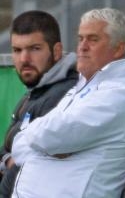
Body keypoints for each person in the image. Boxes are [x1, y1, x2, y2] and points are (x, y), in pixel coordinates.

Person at [10, 8, 125, 198]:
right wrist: (45, 147)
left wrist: (36, 138)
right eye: (80, 38)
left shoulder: (119, 95)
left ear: (118, 48)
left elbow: (49, 135)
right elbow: (19, 148)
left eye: (93, 39)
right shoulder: (82, 88)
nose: (82, 46)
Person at [0, 11, 78, 198]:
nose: (24, 59)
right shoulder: (38, 90)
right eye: (17, 50)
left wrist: (11, 160)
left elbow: (30, 165)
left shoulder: (64, 95)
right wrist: (8, 160)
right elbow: (8, 149)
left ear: (57, 51)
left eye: (34, 49)